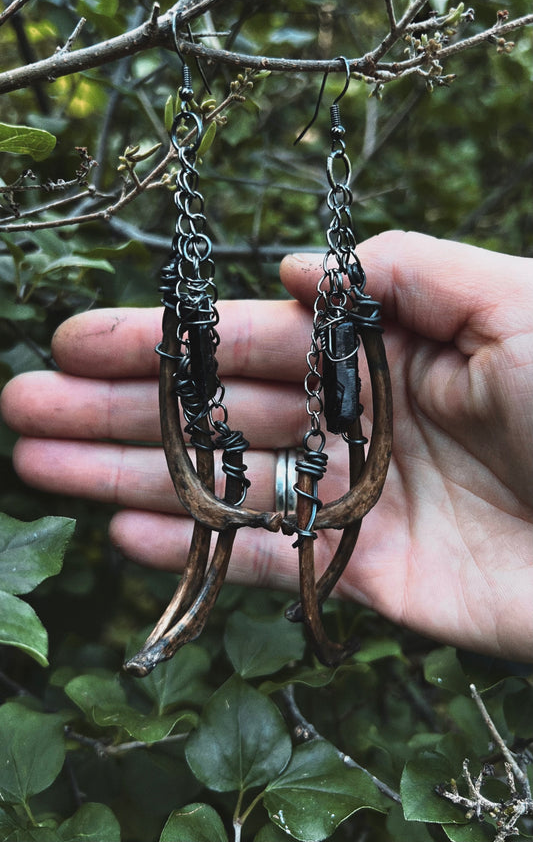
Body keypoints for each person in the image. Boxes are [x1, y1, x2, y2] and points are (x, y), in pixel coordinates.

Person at [1, 231, 532, 662]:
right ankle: (187, 630)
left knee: (248, 504)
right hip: (264, 423)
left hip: (318, 421)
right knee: (216, 504)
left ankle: (294, 619)